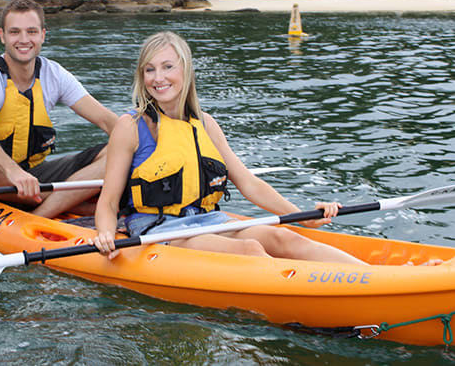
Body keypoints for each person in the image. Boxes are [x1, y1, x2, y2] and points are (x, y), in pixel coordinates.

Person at [90, 31, 367, 265]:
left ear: (186, 70)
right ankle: (315, 296)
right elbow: (109, 202)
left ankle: (376, 276)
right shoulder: (131, 126)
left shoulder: (205, 124)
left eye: (167, 67)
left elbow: (248, 183)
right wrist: (105, 234)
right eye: (149, 69)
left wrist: (301, 217)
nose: (158, 78)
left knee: (283, 237)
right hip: (157, 228)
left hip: (207, 219)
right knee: (249, 250)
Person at [0, 0, 118, 218]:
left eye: (31, 32)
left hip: (36, 176)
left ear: (42, 35)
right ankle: (71, 203)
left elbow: (107, 121)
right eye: (15, 32)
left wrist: (148, 146)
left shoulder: (55, 74)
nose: (24, 40)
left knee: (117, 150)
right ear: (3, 35)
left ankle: (43, 210)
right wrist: (12, 171)